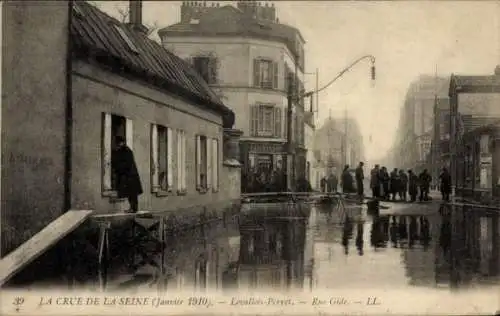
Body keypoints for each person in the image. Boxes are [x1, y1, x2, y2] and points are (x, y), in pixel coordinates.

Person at [112, 136, 143, 213]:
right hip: (128, 175)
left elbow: (127, 164)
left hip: (130, 175)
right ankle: (132, 208)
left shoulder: (126, 151)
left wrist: (119, 168)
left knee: (132, 194)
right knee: (130, 193)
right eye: (118, 143)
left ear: (122, 142)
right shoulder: (122, 150)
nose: (118, 145)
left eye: (119, 143)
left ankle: (133, 209)